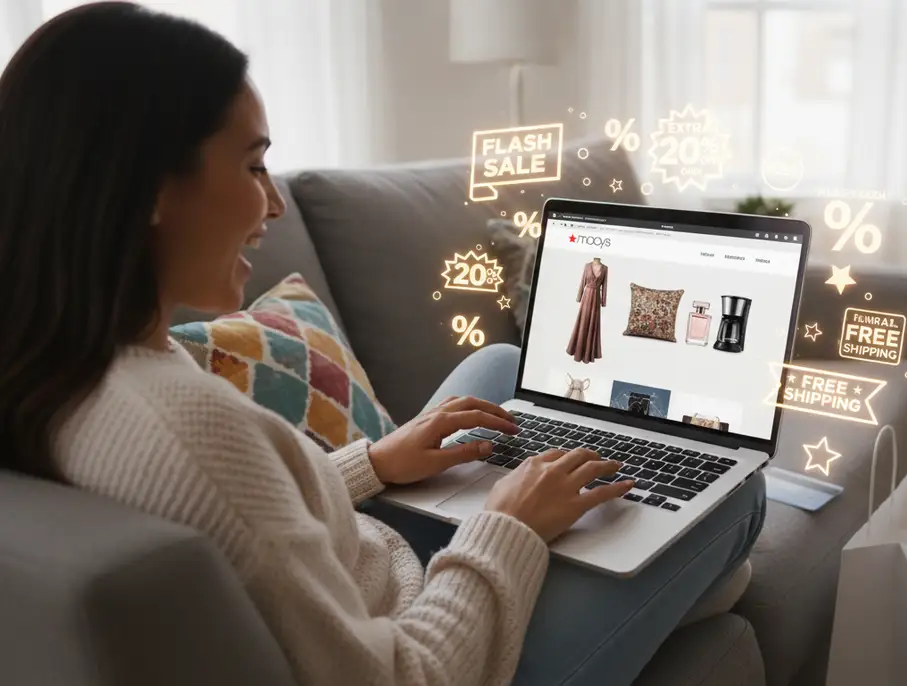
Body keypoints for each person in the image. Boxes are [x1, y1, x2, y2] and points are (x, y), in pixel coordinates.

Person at [0, 3, 766, 685]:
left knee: (503, 371)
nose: (271, 202)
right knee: (742, 491)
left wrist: (375, 462)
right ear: (149, 191)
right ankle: (692, 579)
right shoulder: (190, 429)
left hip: (370, 573)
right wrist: (511, 527)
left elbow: (253, 527)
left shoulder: (65, 367)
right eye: (252, 164)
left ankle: (677, 575)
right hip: (433, 645)